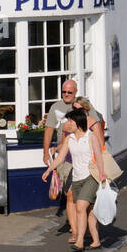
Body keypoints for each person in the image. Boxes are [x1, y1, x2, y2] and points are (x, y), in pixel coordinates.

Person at [42, 80, 105, 243]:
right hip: (69, 159)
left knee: (87, 202)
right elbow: (58, 135)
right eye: (63, 92)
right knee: (70, 195)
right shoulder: (58, 110)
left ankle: (92, 234)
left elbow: (100, 143)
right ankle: (76, 232)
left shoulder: (91, 118)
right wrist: (50, 152)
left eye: (69, 92)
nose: (66, 95)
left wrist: (101, 168)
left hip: (88, 163)